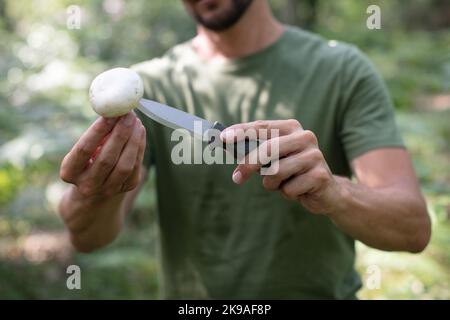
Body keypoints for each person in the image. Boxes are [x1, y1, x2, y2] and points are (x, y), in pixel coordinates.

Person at [59, 0, 431, 299]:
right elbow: (88, 239)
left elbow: (411, 230)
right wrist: (95, 193)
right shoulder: (148, 89)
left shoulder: (342, 71)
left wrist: (335, 192)